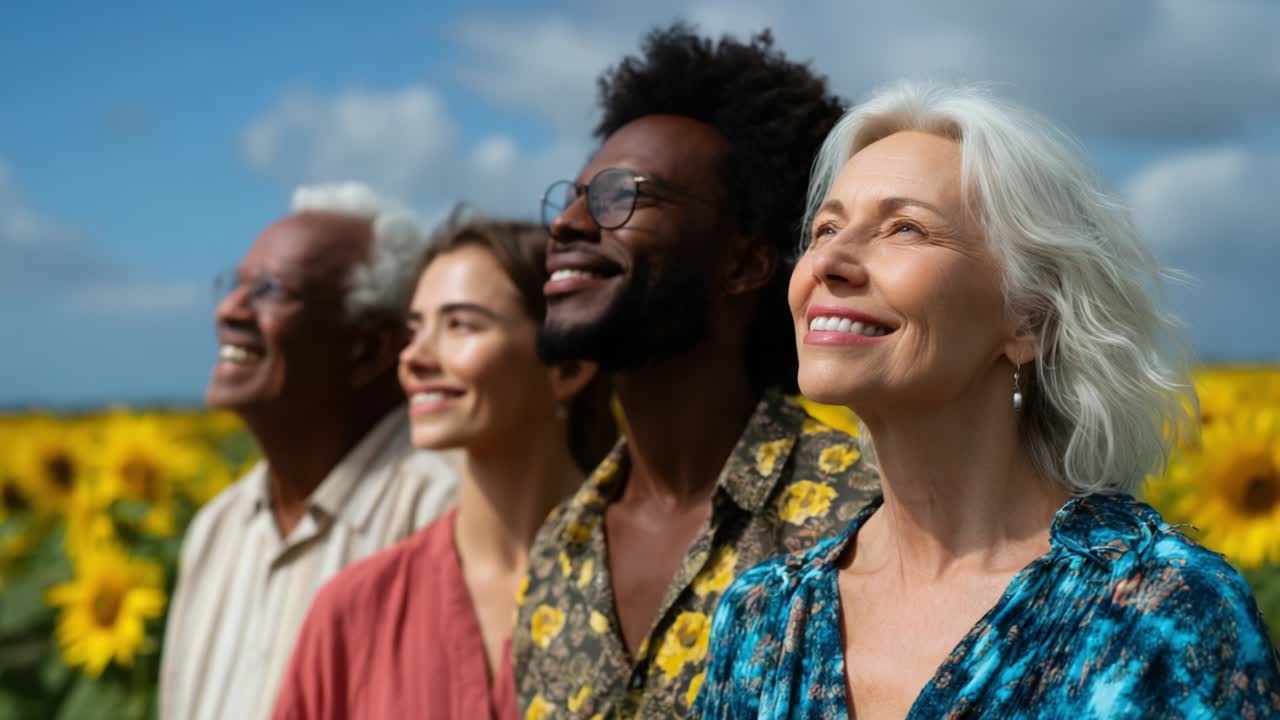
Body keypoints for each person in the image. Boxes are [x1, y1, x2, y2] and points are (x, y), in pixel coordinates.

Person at [695, 82, 1280, 718]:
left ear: (1029, 317)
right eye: (825, 228)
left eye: (905, 228)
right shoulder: (761, 620)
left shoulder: (1161, 613)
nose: (830, 260)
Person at [513, 23, 880, 719]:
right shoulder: (558, 550)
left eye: (619, 195)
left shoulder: (864, 521)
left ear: (743, 263)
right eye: (572, 196)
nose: (564, 225)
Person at [270, 219, 617, 720]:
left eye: (460, 324)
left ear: (568, 366)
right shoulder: (352, 611)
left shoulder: (646, 586)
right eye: (415, 329)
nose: (413, 357)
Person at [159, 184, 459, 720]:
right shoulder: (217, 528)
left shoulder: (444, 517)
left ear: (367, 348)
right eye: (236, 284)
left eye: (269, 290)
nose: (229, 309)